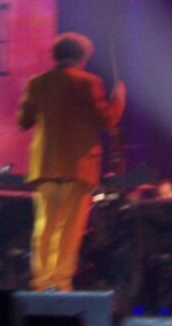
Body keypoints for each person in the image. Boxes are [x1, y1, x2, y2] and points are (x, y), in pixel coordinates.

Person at [17, 32, 125, 292]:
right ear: (82, 56)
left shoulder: (37, 83)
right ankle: (61, 283)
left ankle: (41, 283)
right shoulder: (89, 82)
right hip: (78, 166)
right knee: (69, 230)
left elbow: (23, 122)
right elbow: (106, 120)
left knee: (44, 227)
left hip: (45, 167)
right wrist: (118, 98)